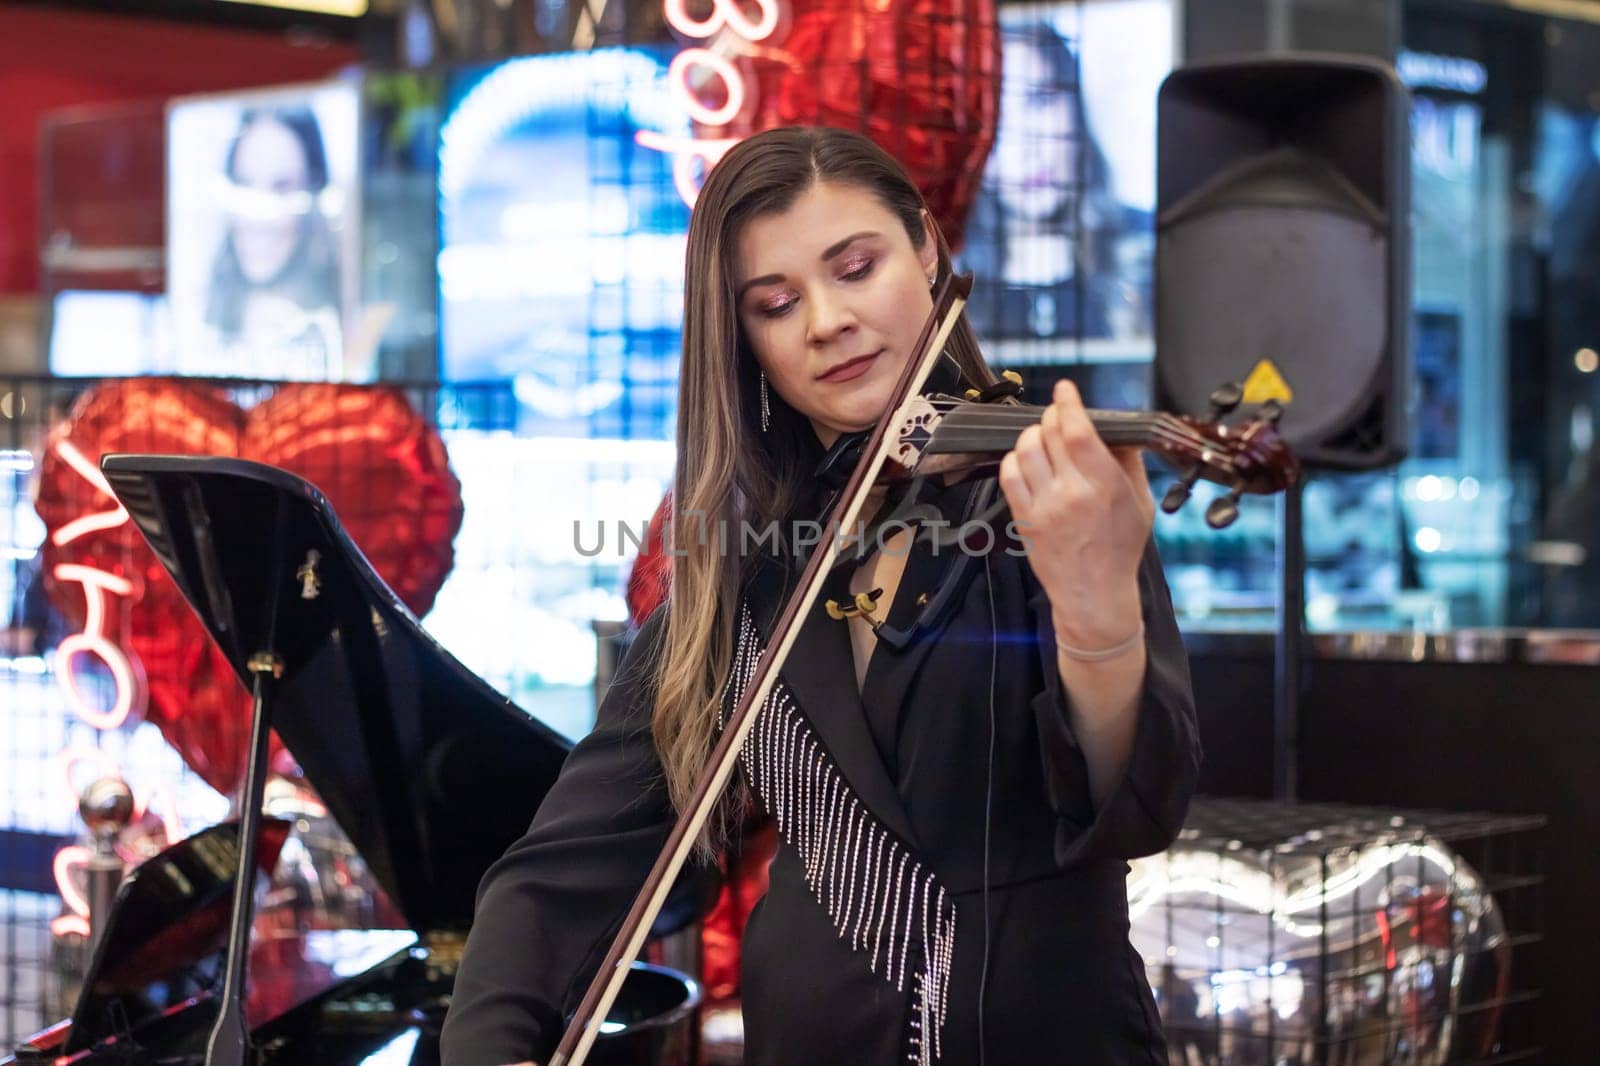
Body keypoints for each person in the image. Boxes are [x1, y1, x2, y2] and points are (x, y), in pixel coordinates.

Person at [441, 126, 1199, 1066]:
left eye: (856, 267)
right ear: (745, 342)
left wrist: (1096, 608)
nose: (826, 321)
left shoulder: (1051, 491)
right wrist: (488, 1037)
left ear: (926, 248)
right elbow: (563, 865)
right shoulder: (750, 564)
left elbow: (1134, 807)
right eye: (775, 303)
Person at [959, 22, 1151, 342]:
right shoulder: (944, 277)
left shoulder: (1145, 244)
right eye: (998, 124)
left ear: (1074, 105)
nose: (1027, 148)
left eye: (1039, 100)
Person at [201, 107, 342, 378]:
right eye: (244, 184)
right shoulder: (203, 329)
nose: (259, 216)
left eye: (282, 187)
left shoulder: (335, 334)